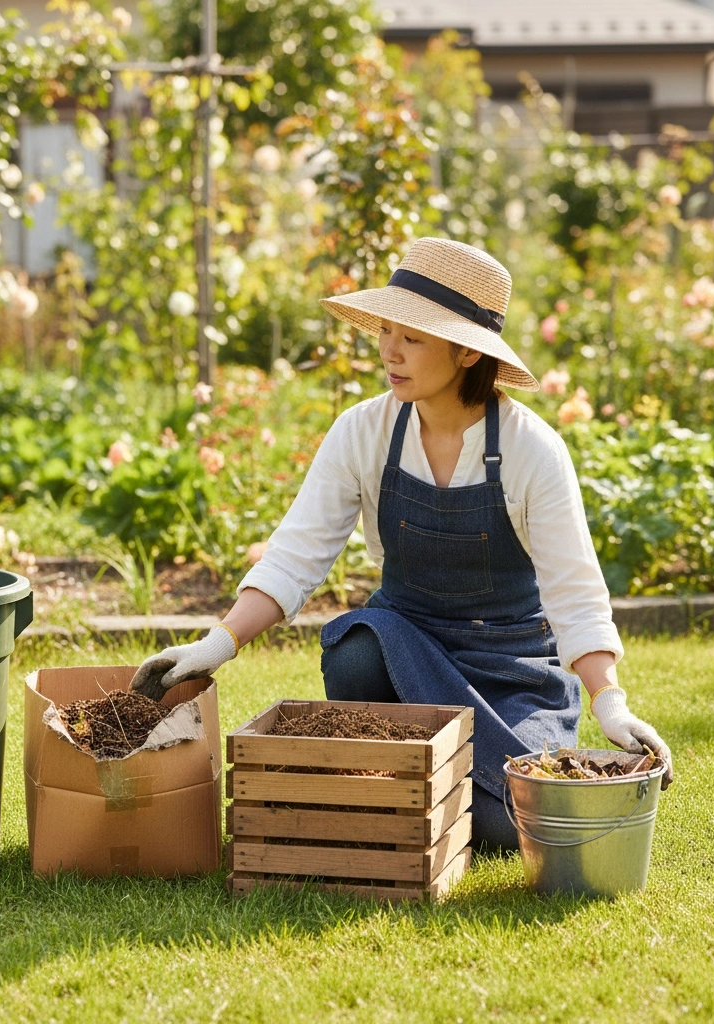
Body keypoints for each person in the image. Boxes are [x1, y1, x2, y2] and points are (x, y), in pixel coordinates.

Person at [130, 236, 674, 850]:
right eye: (386, 330)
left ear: (468, 353)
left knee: (503, 827)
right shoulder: (364, 430)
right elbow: (295, 557)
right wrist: (216, 644)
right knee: (356, 649)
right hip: (405, 646)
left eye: (412, 337)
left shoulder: (532, 450)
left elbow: (574, 595)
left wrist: (610, 706)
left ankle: (416, 783)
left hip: (511, 666)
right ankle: (393, 781)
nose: (390, 350)